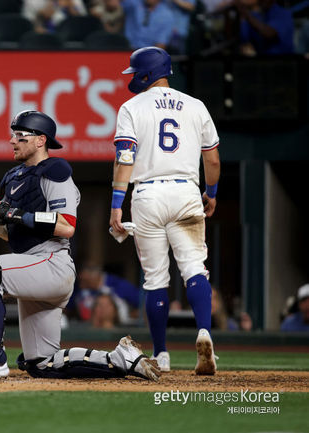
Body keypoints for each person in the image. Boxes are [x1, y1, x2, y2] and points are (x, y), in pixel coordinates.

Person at [0, 110, 161, 381]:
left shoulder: (56, 170)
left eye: (20, 136)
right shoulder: (13, 178)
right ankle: (121, 359)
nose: (13, 141)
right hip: (32, 264)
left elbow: (66, 226)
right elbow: (15, 234)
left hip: (52, 263)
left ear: (40, 140)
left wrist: (14, 214)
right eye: (13, 135)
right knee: (41, 363)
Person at [109, 47, 221, 375]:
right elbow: (212, 160)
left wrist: (117, 203)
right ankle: (204, 331)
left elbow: (125, 158)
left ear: (145, 73)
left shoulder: (131, 107)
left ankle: (162, 354)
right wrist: (210, 193)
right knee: (194, 269)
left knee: (156, 279)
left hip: (147, 194)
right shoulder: (196, 105)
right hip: (187, 191)